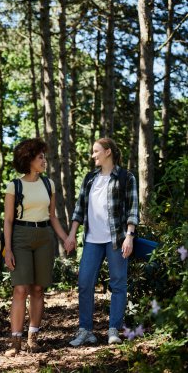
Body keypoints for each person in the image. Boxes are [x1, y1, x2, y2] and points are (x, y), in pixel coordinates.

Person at [64, 138, 139, 346]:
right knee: (85, 282)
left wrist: (130, 236)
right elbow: (79, 209)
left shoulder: (126, 177)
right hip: (91, 241)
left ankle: (113, 329)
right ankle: (86, 330)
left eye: (96, 151)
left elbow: (133, 209)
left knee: (118, 284)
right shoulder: (90, 179)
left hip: (117, 239)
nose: (92, 155)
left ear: (107, 152)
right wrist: (71, 235)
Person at [4, 137, 69, 356]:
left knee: (38, 289)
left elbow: (52, 217)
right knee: (21, 289)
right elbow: (8, 220)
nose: (44, 161)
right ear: (29, 159)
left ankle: (33, 337)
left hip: (44, 237)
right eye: (40, 157)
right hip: (20, 237)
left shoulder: (48, 184)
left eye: (44, 157)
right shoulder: (15, 185)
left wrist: (66, 238)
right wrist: (8, 249)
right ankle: (15, 341)